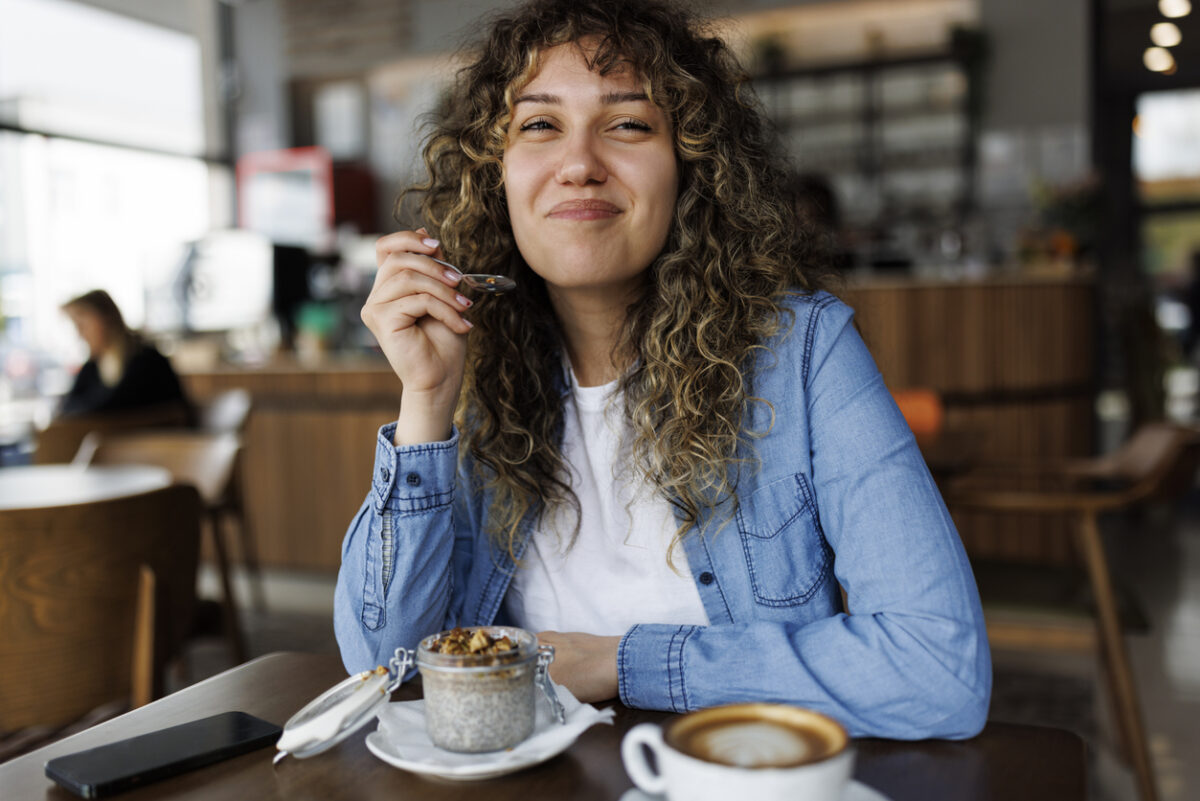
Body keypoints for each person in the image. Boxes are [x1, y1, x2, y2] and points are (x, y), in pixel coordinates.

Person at [335, 0, 990, 739]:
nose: (579, 165)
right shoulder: (476, 374)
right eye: (540, 125)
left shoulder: (803, 353)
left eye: (627, 124)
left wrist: (622, 662)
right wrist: (426, 401)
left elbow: (939, 670)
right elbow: (385, 668)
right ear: (497, 176)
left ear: (691, 165)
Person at [58, 289, 190, 419]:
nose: (80, 334)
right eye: (76, 326)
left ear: (107, 318)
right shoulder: (92, 366)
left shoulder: (145, 360)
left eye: (82, 325)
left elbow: (111, 409)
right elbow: (67, 407)